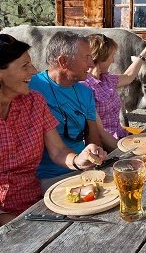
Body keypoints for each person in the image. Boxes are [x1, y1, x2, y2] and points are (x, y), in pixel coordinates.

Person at [0, 34, 106, 253]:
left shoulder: (34, 101)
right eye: (25, 66)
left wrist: (79, 159)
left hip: (27, 203)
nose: (33, 71)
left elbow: (58, 151)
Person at [29, 31, 117, 182]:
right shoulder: (31, 87)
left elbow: (93, 138)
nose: (91, 64)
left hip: (81, 170)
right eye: (86, 57)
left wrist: (94, 156)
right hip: (46, 177)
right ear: (63, 61)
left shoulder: (86, 92)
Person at [81, 33, 146, 139]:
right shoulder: (84, 87)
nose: (113, 60)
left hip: (120, 136)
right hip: (107, 144)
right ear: (101, 57)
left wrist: (144, 53)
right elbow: (97, 133)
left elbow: (128, 76)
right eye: (111, 56)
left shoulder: (105, 79)